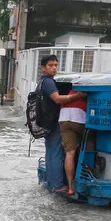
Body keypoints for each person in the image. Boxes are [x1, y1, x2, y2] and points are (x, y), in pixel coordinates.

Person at [38, 55, 86, 192]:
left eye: (55, 65)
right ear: (43, 68)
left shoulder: (43, 82)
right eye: (50, 65)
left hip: (46, 122)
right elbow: (58, 99)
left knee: (51, 152)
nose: (54, 68)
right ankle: (58, 185)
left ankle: (53, 181)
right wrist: (76, 96)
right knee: (56, 152)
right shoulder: (48, 82)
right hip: (53, 122)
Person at [59, 88, 88, 195]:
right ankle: (86, 177)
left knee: (70, 153)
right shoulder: (85, 94)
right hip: (79, 118)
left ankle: (70, 188)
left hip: (63, 119)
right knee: (90, 143)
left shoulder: (69, 93)